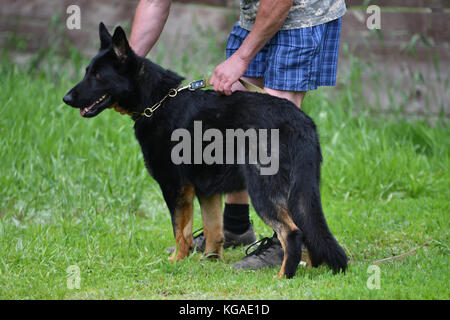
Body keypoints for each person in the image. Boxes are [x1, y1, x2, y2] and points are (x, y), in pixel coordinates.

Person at [129, 0, 346, 270]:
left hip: (301, 13)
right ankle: (236, 227)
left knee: (269, 135)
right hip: (254, 15)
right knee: (234, 119)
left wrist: (241, 59)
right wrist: (125, 66)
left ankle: (287, 244)